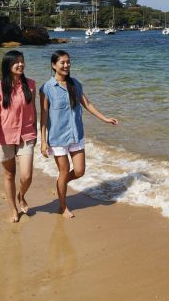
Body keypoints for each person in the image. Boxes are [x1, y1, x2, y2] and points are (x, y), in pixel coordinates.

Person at [39, 50, 118, 218]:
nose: (67, 65)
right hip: (58, 137)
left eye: (68, 62)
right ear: (54, 65)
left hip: (76, 135)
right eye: (62, 62)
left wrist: (104, 118)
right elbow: (44, 115)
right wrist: (43, 141)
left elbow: (87, 104)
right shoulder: (46, 88)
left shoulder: (75, 83)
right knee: (64, 170)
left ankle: (61, 184)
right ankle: (62, 206)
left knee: (80, 171)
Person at [0, 50, 37, 223]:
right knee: (9, 175)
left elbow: (34, 110)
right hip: (5, 136)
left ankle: (21, 195)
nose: (20, 64)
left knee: (26, 176)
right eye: (16, 62)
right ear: (8, 65)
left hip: (26, 134)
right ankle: (12, 209)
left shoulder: (31, 84)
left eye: (22, 61)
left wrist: (36, 131)